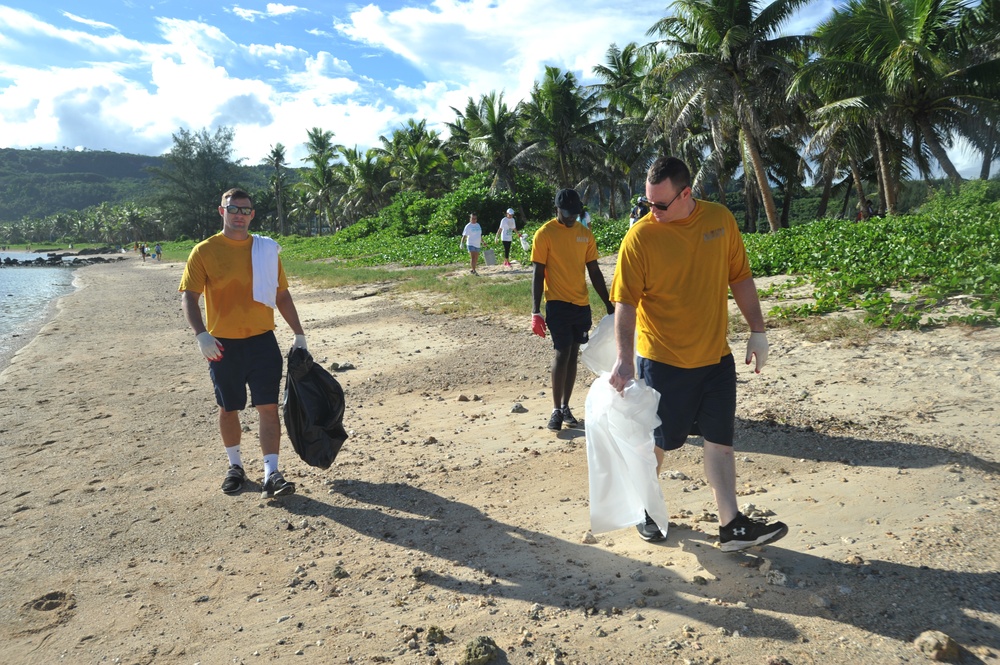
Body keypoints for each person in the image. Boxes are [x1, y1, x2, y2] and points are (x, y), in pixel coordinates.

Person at [609, 156, 788, 552]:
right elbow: (625, 302)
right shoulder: (639, 238)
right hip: (662, 362)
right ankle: (647, 510)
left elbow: (739, 276)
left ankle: (731, 526)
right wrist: (624, 358)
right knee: (658, 443)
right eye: (646, 202)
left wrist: (758, 330)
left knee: (720, 440)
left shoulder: (719, 221)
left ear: (686, 194)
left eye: (659, 204)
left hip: (715, 360)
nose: (649, 212)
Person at [179, 188, 307, 499]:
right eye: (233, 208)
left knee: (267, 407)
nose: (240, 214)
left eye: (245, 210)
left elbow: (281, 295)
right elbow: (189, 297)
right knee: (228, 407)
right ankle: (235, 466)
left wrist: (299, 334)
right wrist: (201, 334)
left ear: (252, 215)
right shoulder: (204, 251)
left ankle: (271, 472)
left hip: (262, 341)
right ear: (221, 211)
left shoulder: (265, 250)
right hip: (222, 345)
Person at [531, 188, 614, 431]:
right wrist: (535, 311)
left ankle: (566, 406)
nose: (570, 218)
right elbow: (537, 274)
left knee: (573, 354)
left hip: (581, 304)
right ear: (556, 209)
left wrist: (608, 304)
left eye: (574, 214)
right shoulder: (544, 234)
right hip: (557, 303)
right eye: (566, 214)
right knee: (561, 352)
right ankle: (556, 410)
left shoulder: (584, 233)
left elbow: (595, 271)